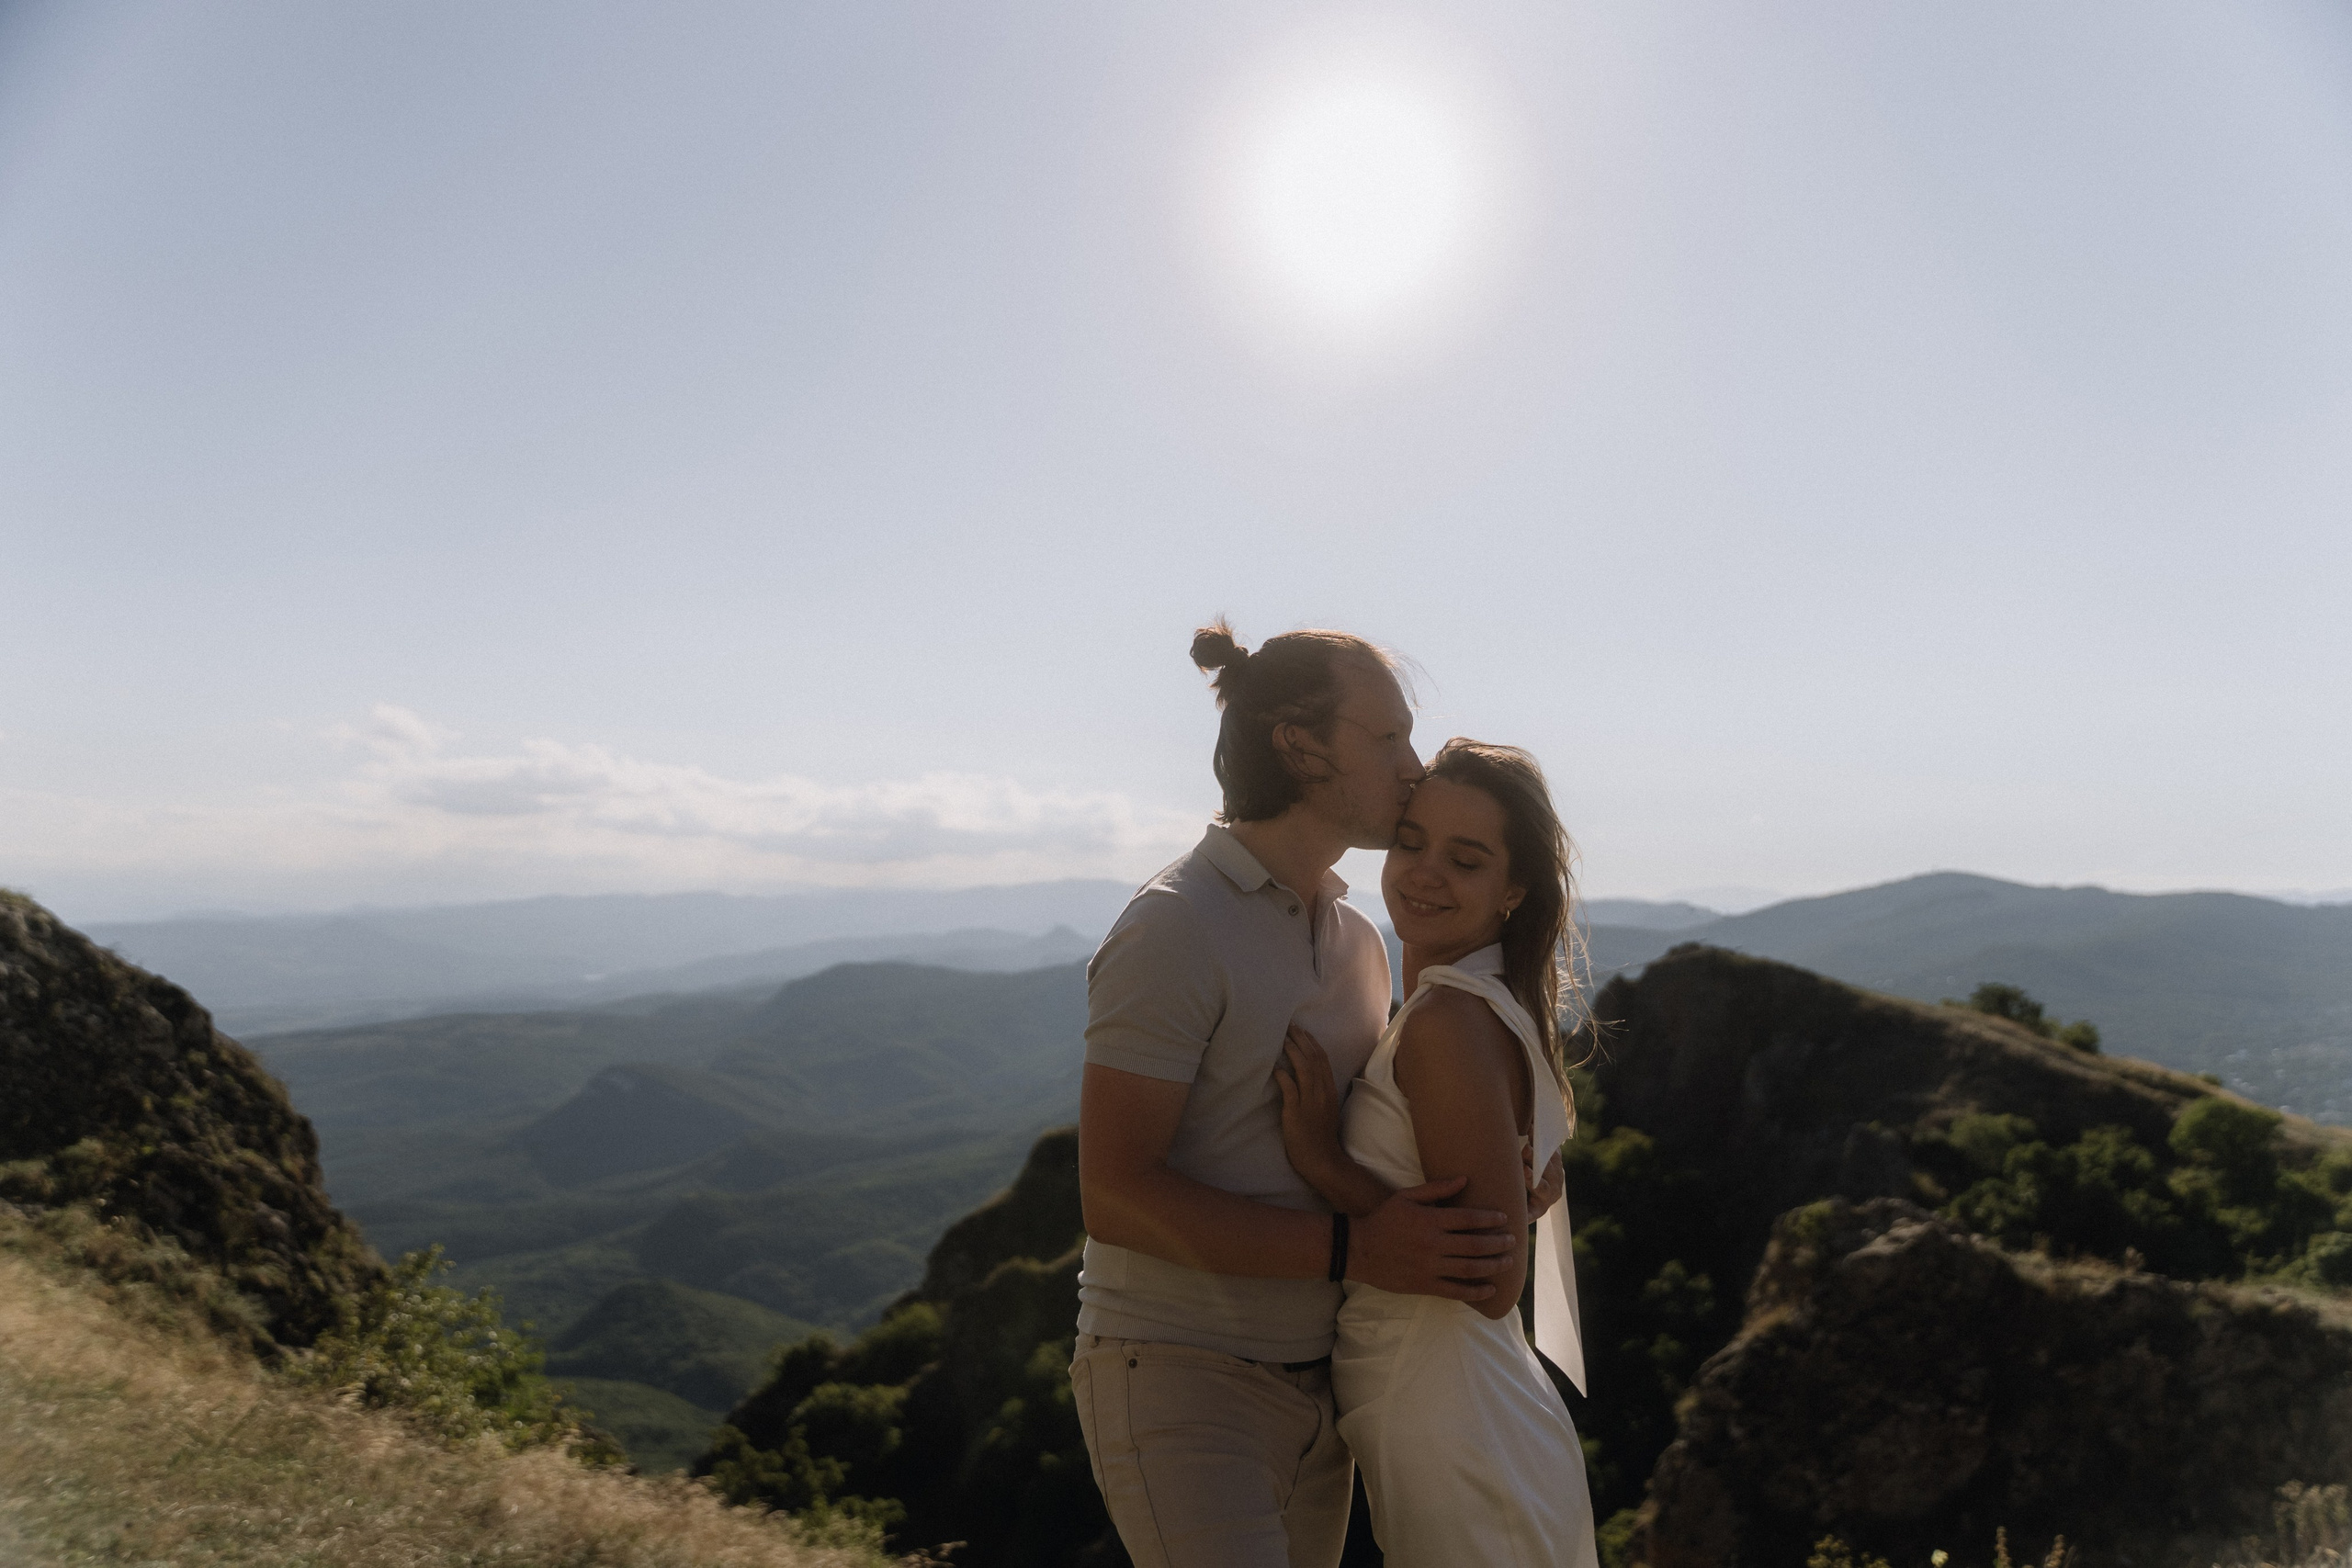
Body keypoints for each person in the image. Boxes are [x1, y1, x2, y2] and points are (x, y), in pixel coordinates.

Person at [1070, 622, 1562, 1568]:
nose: (1411, 768)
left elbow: (1397, 1130)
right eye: (1386, 740)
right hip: (1179, 1371)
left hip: (1323, 1392)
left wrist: (1511, 1163)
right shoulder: (1175, 926)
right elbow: (1114, 1193)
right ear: (1300, 747)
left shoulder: (1360, 944)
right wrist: (1355, 1243)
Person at [1273, 739, 1600, 1568]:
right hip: (1454, 1400)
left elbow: (1493, 1283)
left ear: (1512, 890)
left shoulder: (1451, 1020)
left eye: (1466, 859)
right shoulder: (1469, 1003)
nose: (1422, 873)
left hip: (1451, 1405)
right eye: (1411, 842)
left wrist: (1322, 1158)